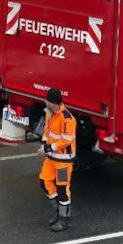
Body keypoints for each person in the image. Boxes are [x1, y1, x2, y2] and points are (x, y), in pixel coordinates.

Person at [39, 87, 76, 232]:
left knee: (62, 189)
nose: (44, 101)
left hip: (63, 162)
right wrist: (43, 143)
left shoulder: (67, 119)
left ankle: (64, 219)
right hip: (51, 159)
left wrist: (48, 147)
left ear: (52, 102)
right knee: (44, 182)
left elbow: (66, 140)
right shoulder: (50, 113)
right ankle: (57, 210)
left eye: (46, 100)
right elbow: (47, 131)